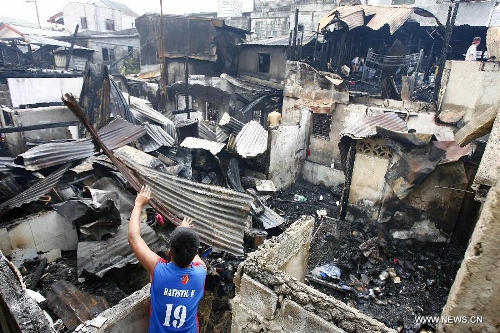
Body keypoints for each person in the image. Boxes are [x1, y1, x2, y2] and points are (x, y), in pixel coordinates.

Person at [129, 185, 206, 333]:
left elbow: (133, 237)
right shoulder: (200, 271)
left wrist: (138, 204)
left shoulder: (158, 270)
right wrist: (185, 230)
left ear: (169, 252)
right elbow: (193, 254)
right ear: (196, 252)